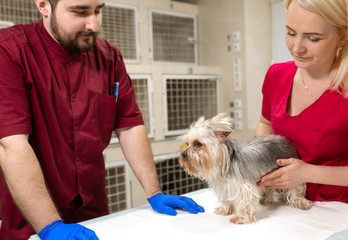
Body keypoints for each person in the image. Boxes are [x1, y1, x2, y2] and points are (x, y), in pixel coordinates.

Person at [0, 0, 204, 239]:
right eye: (80, 12)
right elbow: (11, 144)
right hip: (33, 222)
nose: (93, 25)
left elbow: (129, 125)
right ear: (44, 6)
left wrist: (154, 191)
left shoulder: (109, 57)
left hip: (95, 214)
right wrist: (49, 226)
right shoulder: (10, 51)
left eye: (98, 11)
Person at [256, 0, 348, 205]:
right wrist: (262, 162)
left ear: (343, 37)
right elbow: (265, 123)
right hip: (283, 200)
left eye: (313, 38)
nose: (297, 48)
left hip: (340, 205)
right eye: (291, 33)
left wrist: (307, 173)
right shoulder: (276, 75)